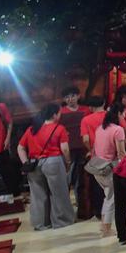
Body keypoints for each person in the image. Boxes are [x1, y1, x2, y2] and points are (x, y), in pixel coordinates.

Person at [16, 103, 75, 230]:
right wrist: (68, 162)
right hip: (53, 162)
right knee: (59, 193)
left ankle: (40, 223)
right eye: (59, 113)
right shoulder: (59, 128)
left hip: (34, 163)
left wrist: (26, 163)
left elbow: (20, 147)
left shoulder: (32, 129)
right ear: (54, 115)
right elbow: (65, 149)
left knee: (38, 196)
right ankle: (61, 221)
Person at [88, 105, 126, 237]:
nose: (125, 115)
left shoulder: (100, 128)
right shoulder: (118, 130)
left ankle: (103, 226)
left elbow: (95, 148)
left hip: (96, 167)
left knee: (108, 196)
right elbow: (121, 152)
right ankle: (107, 229)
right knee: (112, 198)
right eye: (124, 113)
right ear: (119, 114)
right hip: (109, 168)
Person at [57, 87, 90, 216]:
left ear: (78, 96)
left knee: (81, 180)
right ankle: (65, 211)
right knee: (67, 180)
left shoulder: (86, 110)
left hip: (83, 148)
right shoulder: (61, 112)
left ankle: (83, 209)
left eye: (72, 96)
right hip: (68, 149)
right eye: (67, 97)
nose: (70, 99)